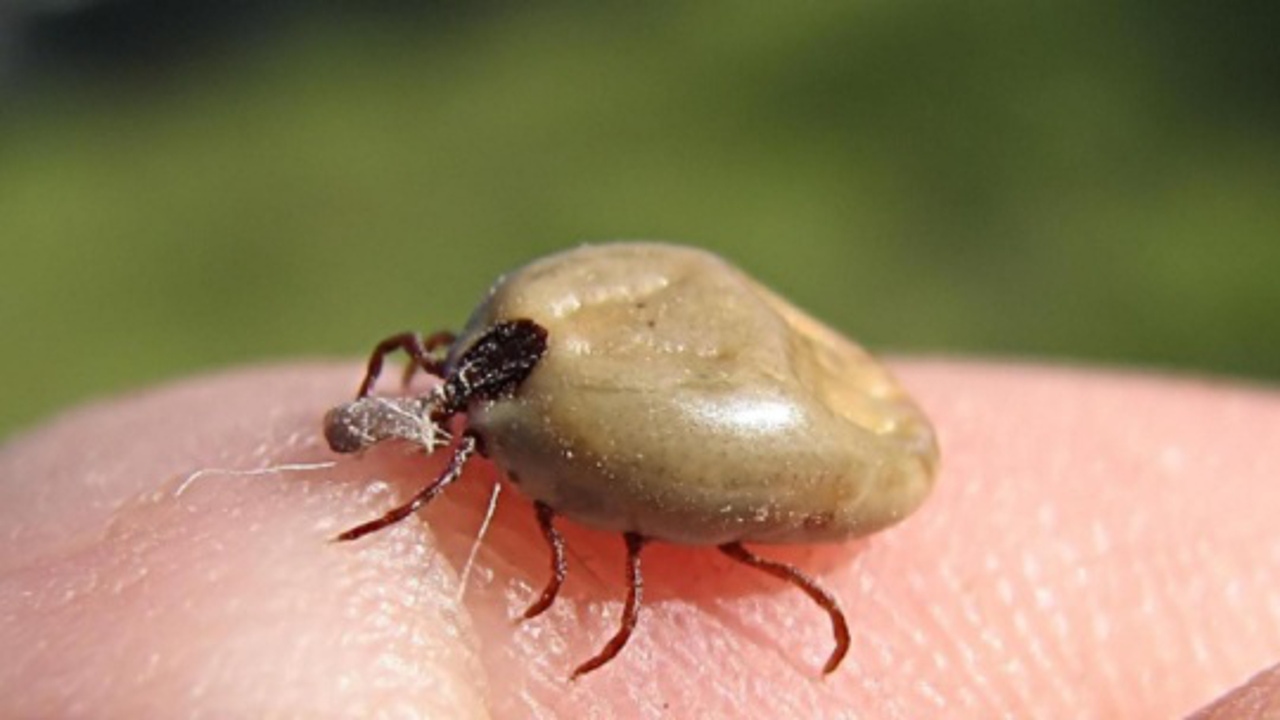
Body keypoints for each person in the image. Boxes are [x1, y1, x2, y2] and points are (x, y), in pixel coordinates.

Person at [0, 361, 1276, 717]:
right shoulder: (492, 450)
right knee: (588, 539)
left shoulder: (474, 419)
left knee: (596, 537)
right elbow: (526, 506)